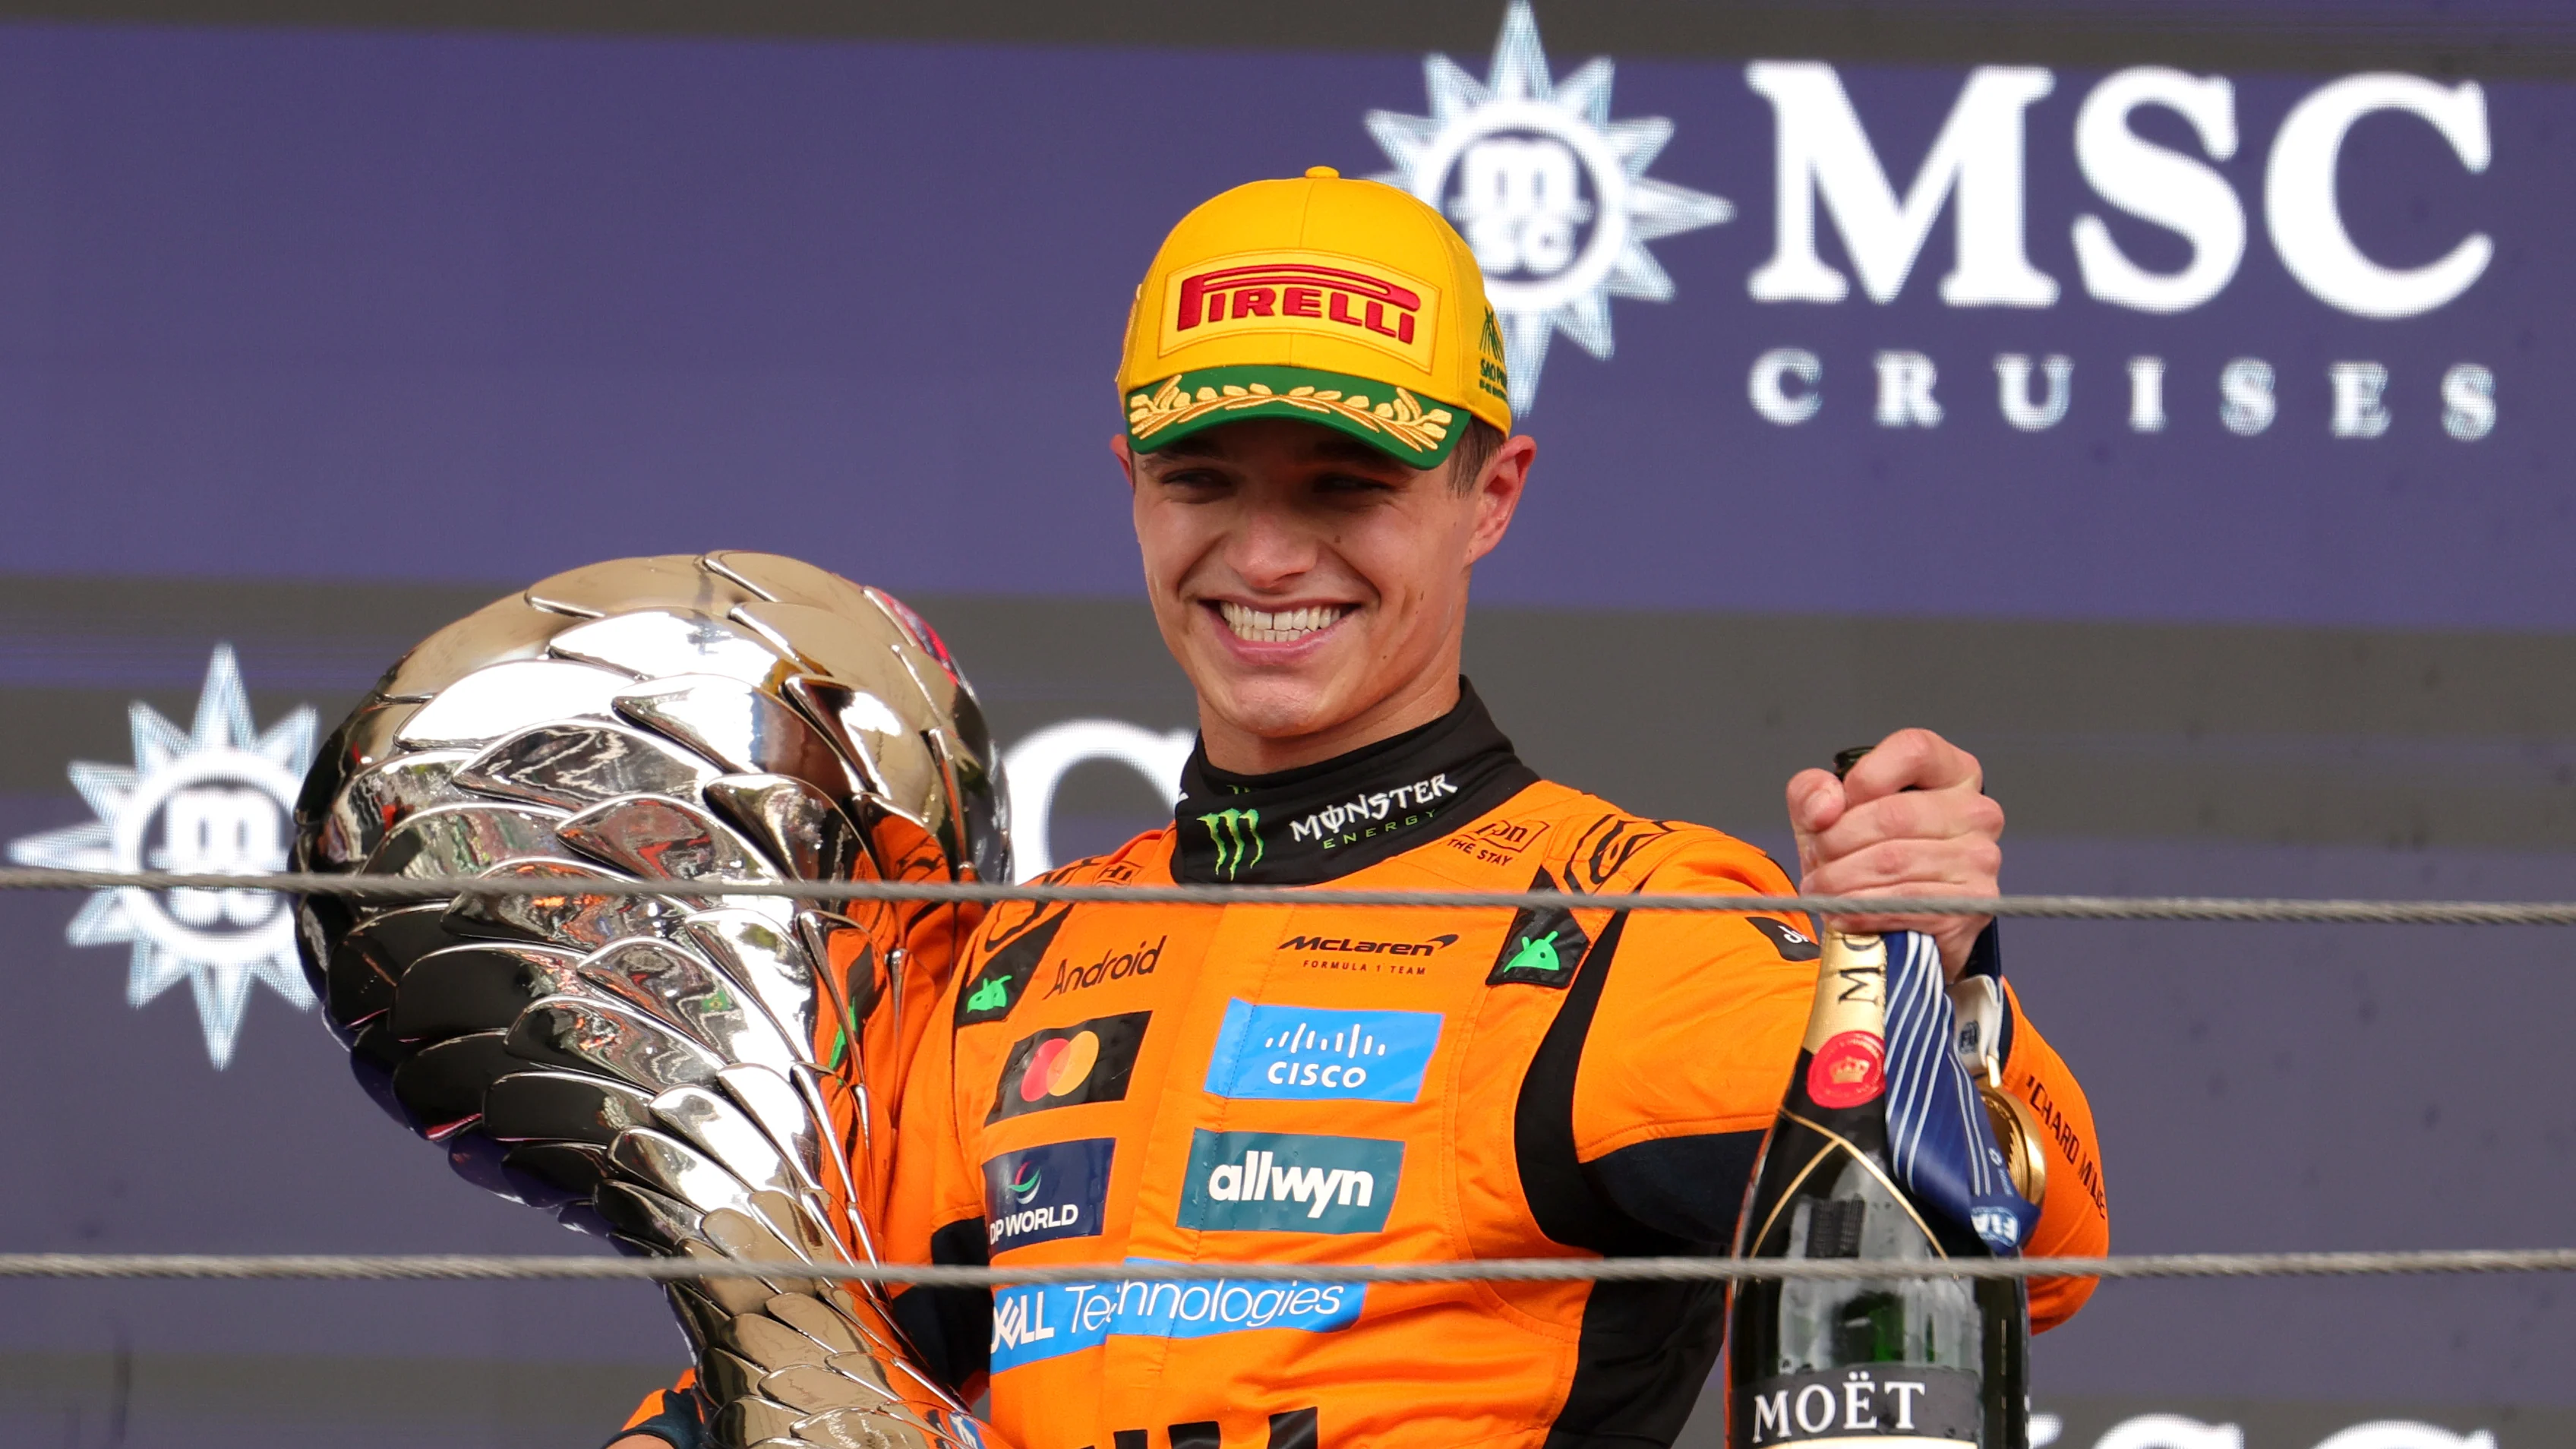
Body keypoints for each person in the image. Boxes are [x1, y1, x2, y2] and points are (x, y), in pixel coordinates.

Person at [611, 166, 2107, 1449]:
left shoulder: (1620, 931)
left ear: (1493, 492)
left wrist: (1933, 976)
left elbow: (2024, 1259)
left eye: (1341, 488)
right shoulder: (1018, 964)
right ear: (1132, 483)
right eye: (1204, 479)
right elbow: (801, 1376)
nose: (1266, 557)